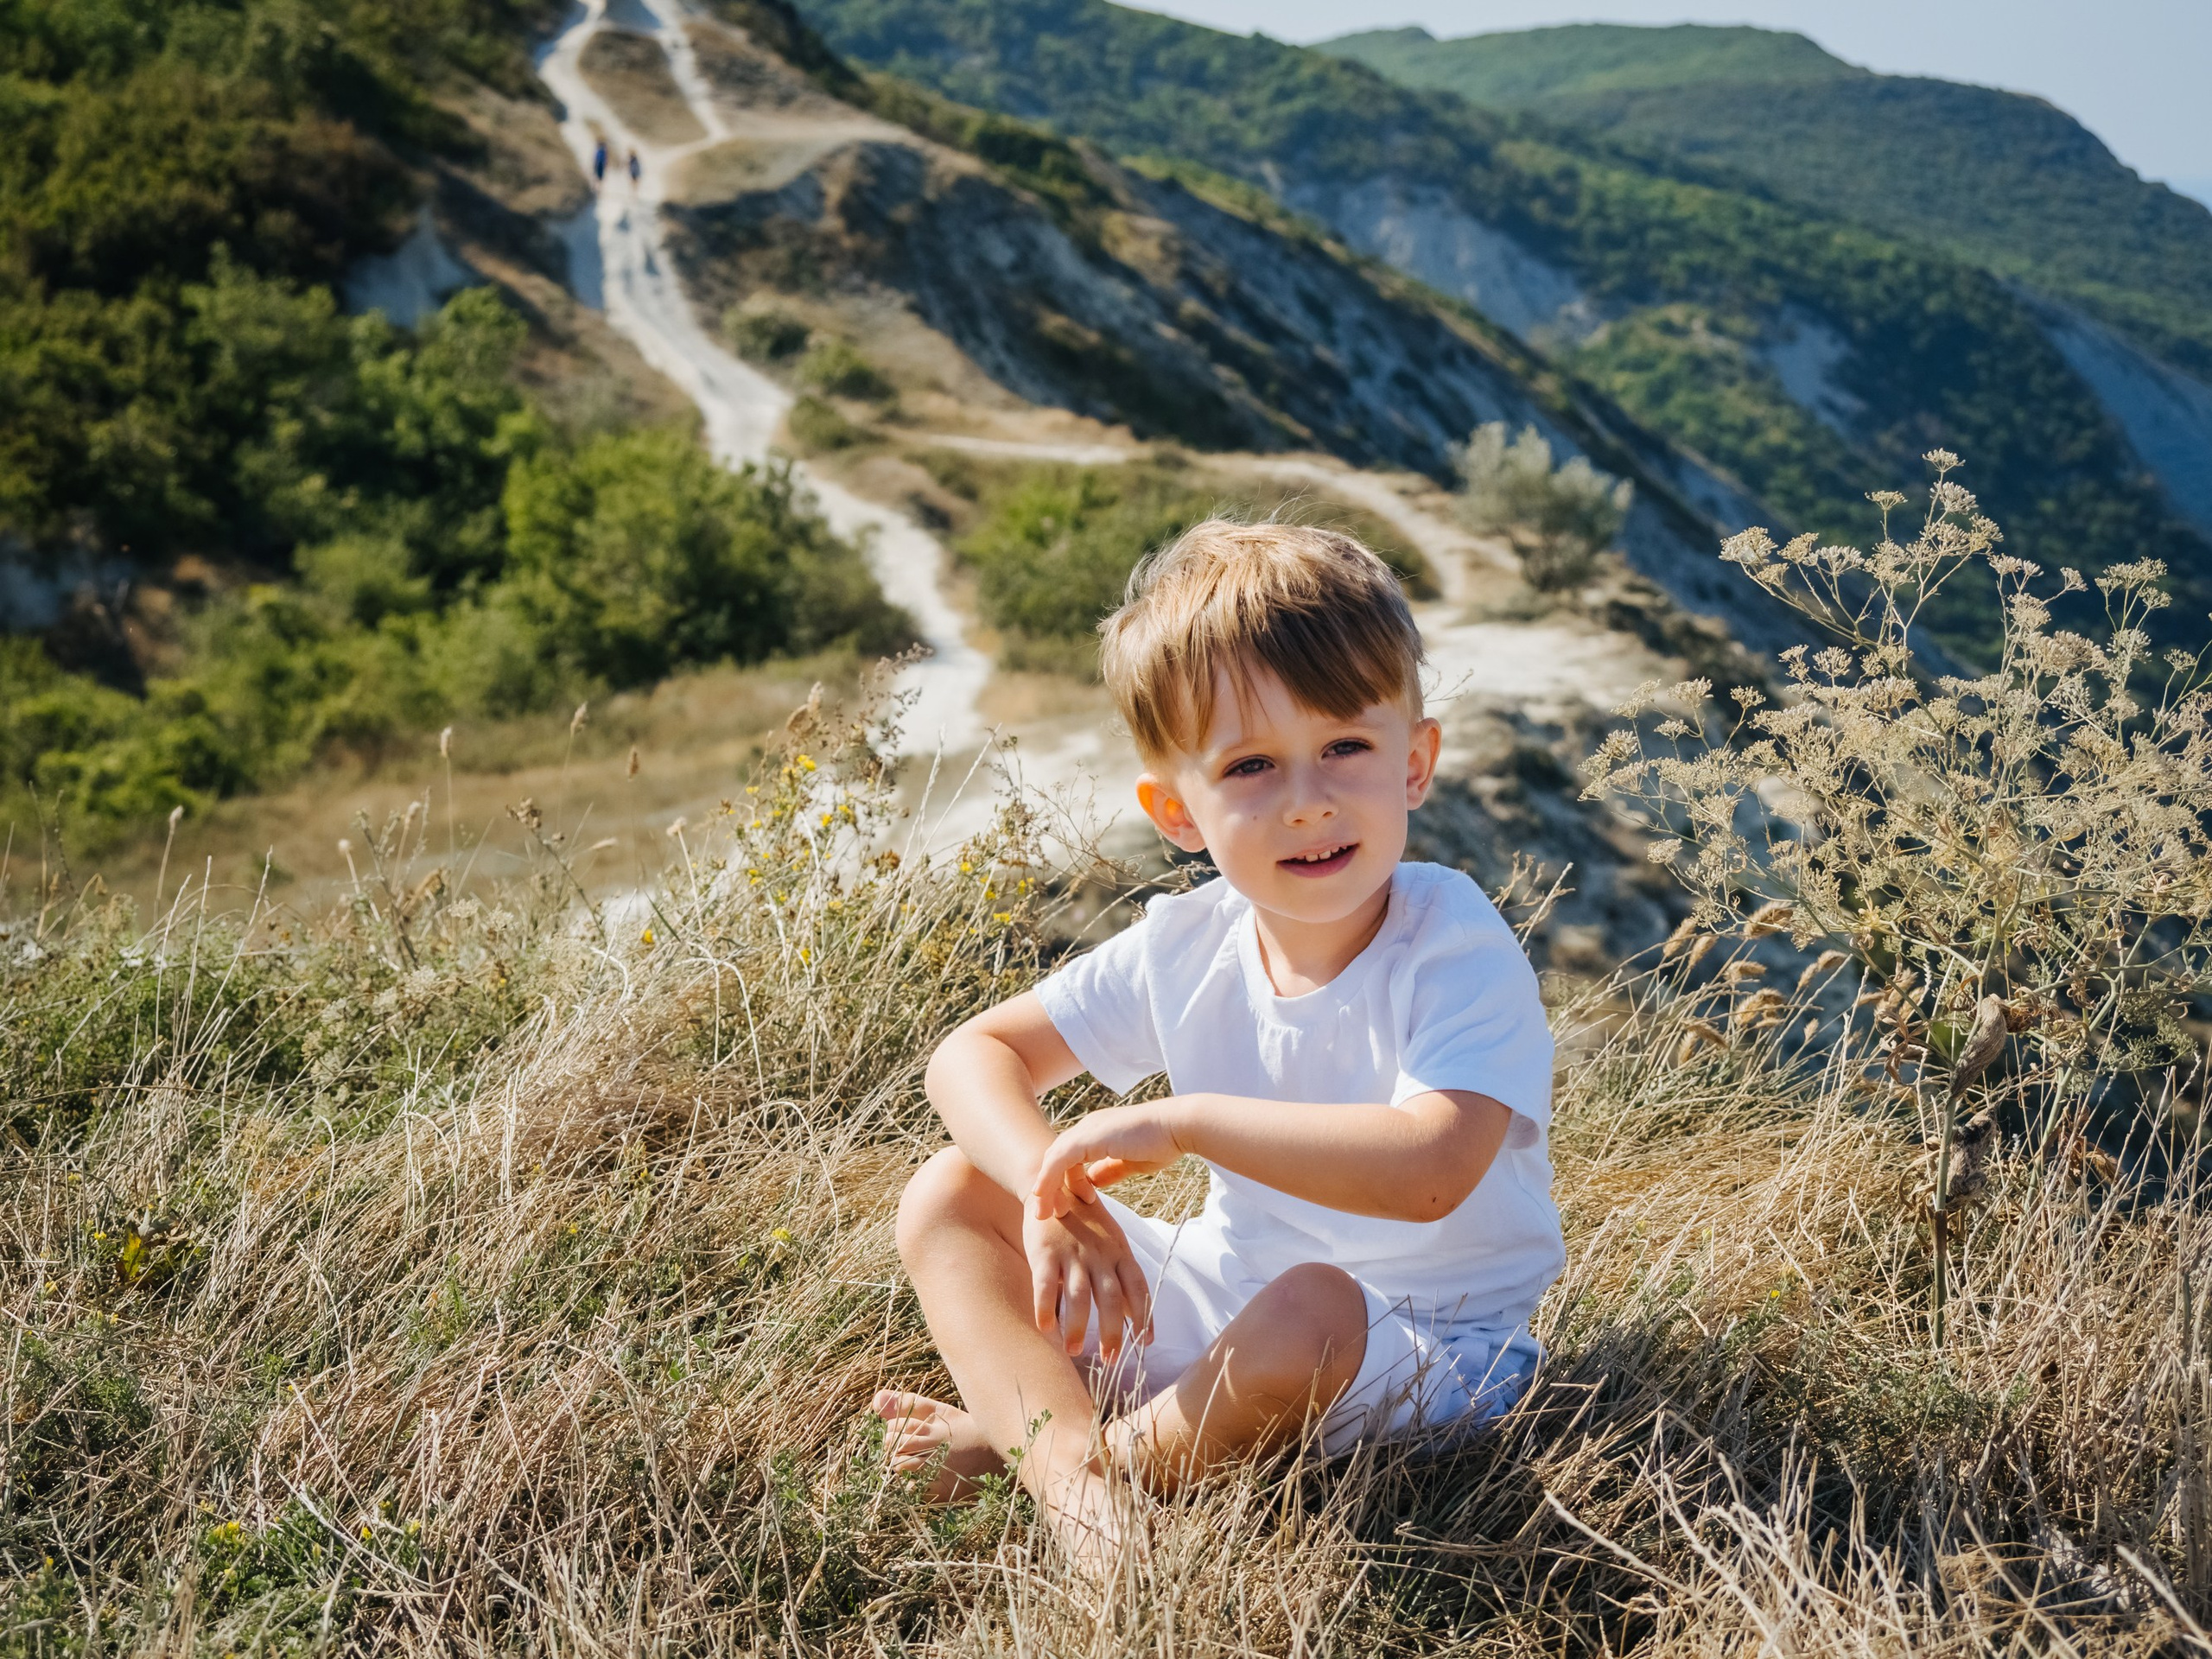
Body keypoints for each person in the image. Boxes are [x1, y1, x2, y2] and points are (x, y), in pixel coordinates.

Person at [874, 520, 1565, 1567]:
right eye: (1249, 766)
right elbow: (972, 1054)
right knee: (947, 1192)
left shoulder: (1453, 944)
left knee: (1310, 1307)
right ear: (1176, 811)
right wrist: (1048, 1190)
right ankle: (1076, 1485)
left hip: (1430, 1354)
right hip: (1223, 1299)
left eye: (1345, 747)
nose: (1308, 801)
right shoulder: (1187, 944)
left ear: (1414, 763)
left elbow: (1431, 1172)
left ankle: (1067, 1461)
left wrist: (1184, 1123)